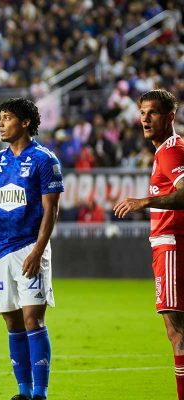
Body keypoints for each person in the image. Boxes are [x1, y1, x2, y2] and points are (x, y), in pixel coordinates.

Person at [0, 98, 64, 400]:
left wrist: (38, 250)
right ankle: (23, 391)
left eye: (7, 118)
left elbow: (51, 210)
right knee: (11, 319)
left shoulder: (45, 160)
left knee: (33, 318)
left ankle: (40, 393)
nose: (1, 124)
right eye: (1, 118)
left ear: (26, 122)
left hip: (30, 247)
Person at [113, 89, 184, 399]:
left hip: (172, 244)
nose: (144, 118)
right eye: (142, 112)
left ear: (170, 117)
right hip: (168, 245)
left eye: (152, 112)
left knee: (177, 330)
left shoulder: (171, 149)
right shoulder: (164, 151)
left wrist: (145, 201)